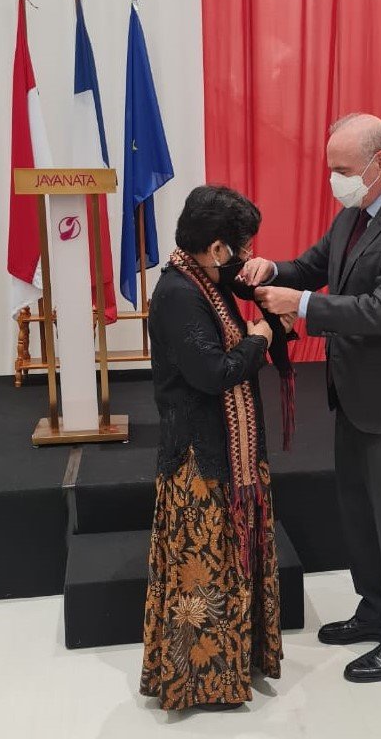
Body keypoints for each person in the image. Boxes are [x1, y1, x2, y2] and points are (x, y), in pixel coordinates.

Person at [241, 113, 381, 683]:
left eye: (343, 169)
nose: (334, 179)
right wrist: (272, 268)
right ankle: (375, 608)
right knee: (360, 511)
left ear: (379, 163)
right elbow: (311, 267)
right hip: (353, 392)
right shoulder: (353, 216)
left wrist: (301, 305)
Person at [140, 185, 284, 711]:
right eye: (241, 246)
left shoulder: (204, 280)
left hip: (228, 453)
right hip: (199, 461)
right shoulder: (179, 294)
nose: (246, 254)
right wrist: (260, 339)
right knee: (202, 575)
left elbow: (243, 323)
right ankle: (199, 682)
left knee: (228, 568)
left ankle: (232, 669)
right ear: (217, 247)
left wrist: (270, 311)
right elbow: (213, 372)